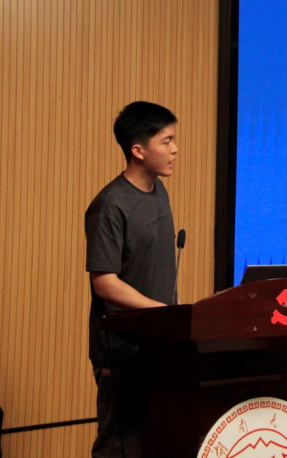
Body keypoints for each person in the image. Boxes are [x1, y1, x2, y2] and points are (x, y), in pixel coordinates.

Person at [85, 101, 180, 458]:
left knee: (157, 442)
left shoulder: (159, 191)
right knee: (121, 447)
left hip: (158, 343)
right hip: (122, 350)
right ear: (138, 150)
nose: (175, 149)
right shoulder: (110, 205)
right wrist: (160, 311)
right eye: (166, 141)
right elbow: (104, 282)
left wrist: (170, 320)